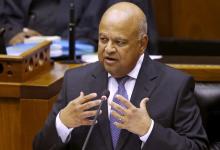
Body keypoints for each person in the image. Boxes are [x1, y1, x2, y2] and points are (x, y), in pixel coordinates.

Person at [33, 2, 208, 150]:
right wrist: (62, 124)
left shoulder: (175, 85)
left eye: (119, 42)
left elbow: (197, 146)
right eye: (103, 39)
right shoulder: (75, 81)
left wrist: (149, 130)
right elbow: (39, 146)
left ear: (142, 44)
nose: (108, 49)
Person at [3, 0, 158, 54]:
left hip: (88, 66)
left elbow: (123, 31)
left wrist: (53, 43)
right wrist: (11, 34)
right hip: (23, 64)